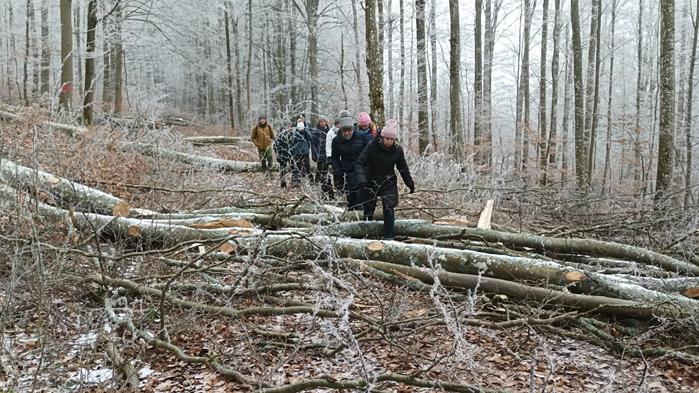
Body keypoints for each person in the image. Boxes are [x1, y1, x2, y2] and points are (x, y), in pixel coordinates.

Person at [356, 119, 415, 240]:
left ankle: (389, 236)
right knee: (368, 208)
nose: (389, 141)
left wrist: (410, 183)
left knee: (389, 208)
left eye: (392, 139)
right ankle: (367, 235)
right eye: (387, 139)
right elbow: (360, 163)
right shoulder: (372, 145)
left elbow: (402, 168)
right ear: (382, 137)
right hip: (370, 179)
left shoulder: (398, 150)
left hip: (388, 181)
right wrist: (361, 179)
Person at [331, 111, 369, 210]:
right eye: (344, 131)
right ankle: (352, 215)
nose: (347, 133)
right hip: (346, 171)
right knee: (351, 197)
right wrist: (337, 171)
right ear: (340, 130)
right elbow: (334, 158)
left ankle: (364, 215)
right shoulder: (336, 141)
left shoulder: (361, 136)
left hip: (361, 169)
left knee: (361, 195)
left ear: (353, 129)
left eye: (349, 130)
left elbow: (369, 153)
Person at [310, 116, 334, 199]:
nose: (322, 123)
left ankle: (325, 183)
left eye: (324, 122)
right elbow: (313, 144)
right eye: (321, 122)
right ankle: (319, 181)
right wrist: (314, 154)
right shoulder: (316, 132)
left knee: (325, 170)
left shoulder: (329, 131)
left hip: (327, 153)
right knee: (319, 168)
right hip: (319, 153)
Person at [273, 122, 293, 188]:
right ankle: (283, 182)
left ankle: (293, 182)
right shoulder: (280, 135)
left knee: (294, 167)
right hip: (282, 154)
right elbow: (275, 145)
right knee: (282, 169)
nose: (288, 128)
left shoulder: (293, 134)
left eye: (290, 126)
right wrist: (278, 154)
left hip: (291, 154)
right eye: (287, 126)